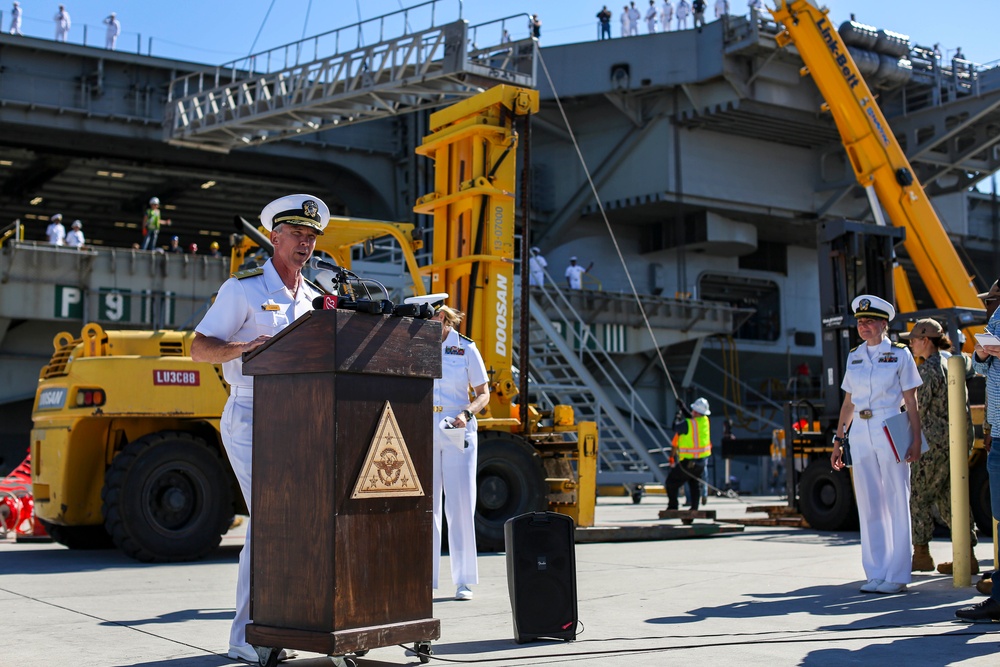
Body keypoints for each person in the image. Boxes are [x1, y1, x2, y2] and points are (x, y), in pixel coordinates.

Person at [191, 193, 329, 661]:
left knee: (289, 522)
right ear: (274, 237)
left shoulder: (314, 298)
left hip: (302, 417)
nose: (305, 244)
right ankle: (246, 637)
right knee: (271, 519)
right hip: (252, 412)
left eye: (311, 237)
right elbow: (199, 348)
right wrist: (245, 347)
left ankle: (276, 628)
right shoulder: (243, 288)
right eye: (296, 235)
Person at [831, 295, 922, 595]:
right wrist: (838, 439)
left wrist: (916, 438)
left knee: (897, 498)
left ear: (884, 324)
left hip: (889, 425)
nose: (863, 326)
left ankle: (897, 574)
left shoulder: (899, 354)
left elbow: (911, 401)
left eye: (870, 321)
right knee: (869, 502)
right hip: (860, 430)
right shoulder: (854, 356)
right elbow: (847, 402)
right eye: (860, 321)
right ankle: (875, 571)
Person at [900, 318, 976, 575]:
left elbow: (916, 408)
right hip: (954, 442)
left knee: (919, 495)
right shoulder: (952, 362)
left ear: (926, 340)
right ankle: (968, 556)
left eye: (913, 339)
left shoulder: (929, 369)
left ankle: (921, 554)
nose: (910, 344)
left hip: (932, 444)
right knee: (951, 497)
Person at [430, 303, 490, 601]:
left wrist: (466, 414)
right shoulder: (417, 345)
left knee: (461, 503)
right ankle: (426, 579)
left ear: (442, 318)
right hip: (425, 424)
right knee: (427, 506)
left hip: (455, 424)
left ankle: (464, 580)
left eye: (430, 319)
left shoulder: (465, 348)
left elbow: (483, 393)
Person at [955, 278, 1000, 621]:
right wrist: (983, 352)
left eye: (994, 298)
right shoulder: (996, 321)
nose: (990, 302)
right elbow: (981, 368)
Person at [666, 397, 712, 512]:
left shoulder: (688, 424)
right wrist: (683, 407)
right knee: (694, 483)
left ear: (695, 412)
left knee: (671, 482)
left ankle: (673, 506)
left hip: (688, 462)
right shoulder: (705, 421)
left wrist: (677, 416)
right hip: (701, 462)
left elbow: (675, 427)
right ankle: (694, 508)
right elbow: (692, 419)